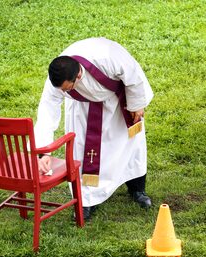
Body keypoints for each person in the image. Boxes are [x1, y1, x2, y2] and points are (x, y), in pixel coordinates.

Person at [34, 37, 154, 221]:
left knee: (131, 143)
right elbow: (47, 110)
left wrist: (136, 105)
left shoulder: (107, 57)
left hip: (116, 102)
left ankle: (137, 189)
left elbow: (133, 74)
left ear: (78, 76)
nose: (65, 93)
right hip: (82, 112)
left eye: (68, 88)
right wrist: (44, 151)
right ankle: (87, 200)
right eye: (62, 90)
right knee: (83, 154)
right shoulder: (57, 80)